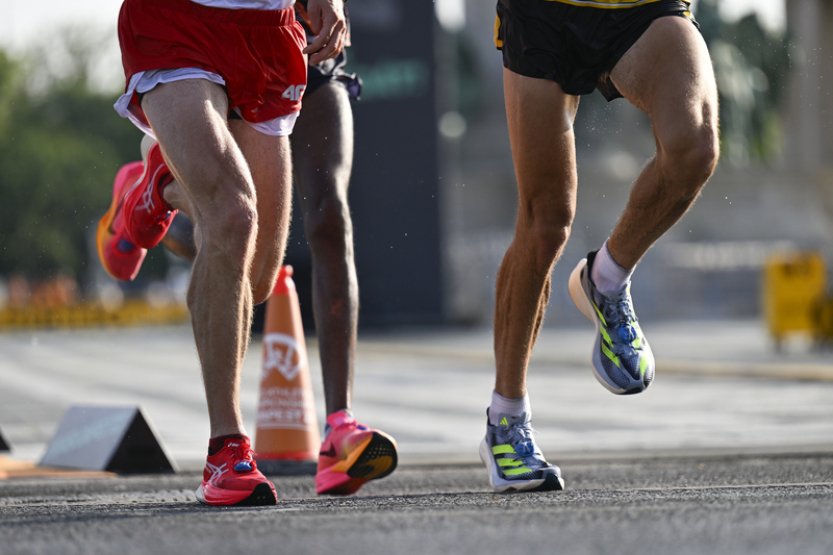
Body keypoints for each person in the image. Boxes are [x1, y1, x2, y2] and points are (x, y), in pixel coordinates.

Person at [97, 0, 396, 506]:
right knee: (234, 214)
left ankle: (156, 188)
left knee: (255, 281)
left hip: (268, 31)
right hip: (178, 20)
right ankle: (226, 450)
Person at [480, 0, 719, 492]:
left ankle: (606, 278)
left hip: (642, 8)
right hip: (543, 13)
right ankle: (505, 420)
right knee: (546, 224)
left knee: (695, 147)